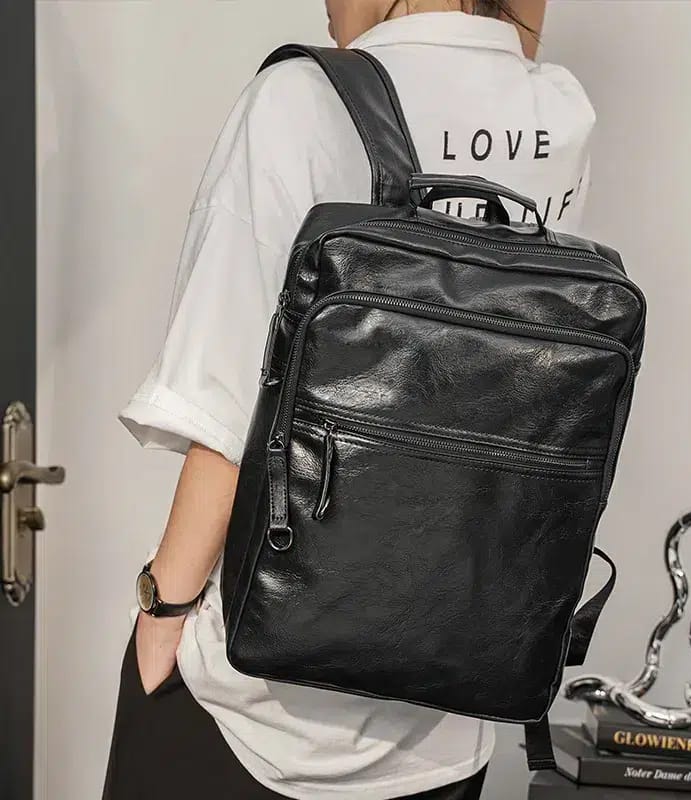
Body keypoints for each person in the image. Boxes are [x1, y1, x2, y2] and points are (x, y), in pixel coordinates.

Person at [103, 1, 596, 798]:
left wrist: (161, 612)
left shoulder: (301, 99)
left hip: (259, 710)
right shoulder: (560, 113)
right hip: (450, 707)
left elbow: (226, 409)